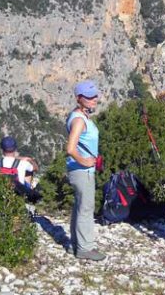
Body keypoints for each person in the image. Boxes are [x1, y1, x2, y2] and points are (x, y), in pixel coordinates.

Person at [65, 80, 106, 262]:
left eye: (95, 96)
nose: (94, 99)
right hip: (82, 171)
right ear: (79, 98)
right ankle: (85, 248)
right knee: (86, 208)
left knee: (80, 206)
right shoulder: (80, 120)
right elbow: (70, 148)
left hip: (78, 170)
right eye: (89, 97)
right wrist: (85, 161)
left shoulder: (79, 116)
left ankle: (76, 244)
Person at [0, 136, 41, 202]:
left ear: (2, 149)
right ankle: (29, 191)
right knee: (29, 172)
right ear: (15, 149)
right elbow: (36, 168)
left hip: (1, 190)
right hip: (18, 193)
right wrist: (30, 159)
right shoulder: (23, 163)